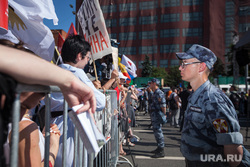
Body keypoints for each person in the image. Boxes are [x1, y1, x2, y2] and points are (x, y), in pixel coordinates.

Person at [0, 44, 96, 167]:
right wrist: (53, 147)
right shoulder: (26, 128)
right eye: (23, 106)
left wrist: (66, 80)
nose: (20, 115)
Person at [176, 44, 245, 166]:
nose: (180, 68)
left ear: (201, 67)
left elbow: (233, 150)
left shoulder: (212, 99)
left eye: (184, 64)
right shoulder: (196, 95)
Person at [46, 35, 105, 167]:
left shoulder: (53, 71)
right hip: (70, 129)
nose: (87, 62)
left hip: (52, 126)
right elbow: (100, 102)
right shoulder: (76, 72)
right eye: (88, 58)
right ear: (79, 56)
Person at [148, 78, 167, 158]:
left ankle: (161, 150)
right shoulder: (154, 92)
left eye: (151, 83)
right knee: (156, 131)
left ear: (155, 83)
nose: (150, 84)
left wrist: (164, 114)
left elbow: (163, 105)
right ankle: (159, 148)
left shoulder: (159, 93)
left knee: (158, 132)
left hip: (157, 114)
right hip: (154, 114)